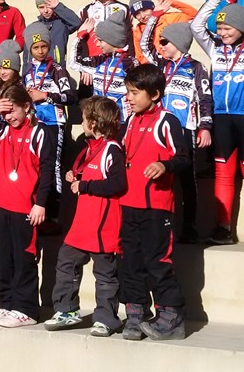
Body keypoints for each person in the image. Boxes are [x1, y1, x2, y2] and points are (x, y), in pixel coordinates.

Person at [192, 0, 244, 248]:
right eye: (221, 28)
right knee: (223, 174)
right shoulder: (216, 49)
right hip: (222, 117)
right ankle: (223, 227)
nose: (222, 33)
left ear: (239, 27)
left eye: (227, 28)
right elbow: (196, 26)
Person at [119, 64, 191, 341]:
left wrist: (165, 165)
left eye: (136, 93)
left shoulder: (167, 121)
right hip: (129, 204)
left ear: (155, 94)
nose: (130, 98)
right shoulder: (130, 122)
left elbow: (184, 159)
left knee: (157, 262)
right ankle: (136, 315)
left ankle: (172, 316)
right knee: (130, 262)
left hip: (156, 207)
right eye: (128, 92)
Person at [0, 85, 56, 328]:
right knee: (1, 259)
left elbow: (47, 171)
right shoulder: (1, 130)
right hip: (1, 205)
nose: (9, 117)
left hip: (25, 207)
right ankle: (6, 303)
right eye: (5, 113)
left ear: (27, 107)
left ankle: (26, 308)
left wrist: (40, 203)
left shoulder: (40, 133)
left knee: (23, 259)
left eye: (13, 111)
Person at [45, 97, 125, 337]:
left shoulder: (113, 148)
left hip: (103, 222)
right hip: (83, 222)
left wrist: (85, 186)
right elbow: (86, 173)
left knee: (104, 273)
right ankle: (67, 310)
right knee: (66, 261)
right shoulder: (89, 146)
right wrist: (74, 176)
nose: (81, 123)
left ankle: (106, 318)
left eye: (83, 119)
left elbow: (117, 184)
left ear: (95, 122)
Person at [139, 22, 213, 243]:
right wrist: (155, 18)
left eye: (165, 42)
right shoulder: (160, 65)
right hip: (159, 129)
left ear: (178, 43)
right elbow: (144, 46)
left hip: (184, 130)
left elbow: (205, 98)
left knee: (186, 180)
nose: (160, 46)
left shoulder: (196, 67)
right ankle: (159, 224)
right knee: (160, 176)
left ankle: (189, 226)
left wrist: (205, 127)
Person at [22, 22, 76, 224]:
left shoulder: (57, 69)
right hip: (34, 124)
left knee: (53, 165)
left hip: (54, 122)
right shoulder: (27, 72)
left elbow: (70, 96)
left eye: (44, 46)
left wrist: (45, 95)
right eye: (36, 48)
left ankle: (56, 212)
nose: (40, 51)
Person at [70, 9, 137, 122]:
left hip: (121, 120)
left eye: (100, 40)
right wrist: (80, 36)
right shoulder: (99, 60)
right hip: (100, 120)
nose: (97, 44)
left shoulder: (129, 63)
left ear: (112, 41)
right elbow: (74, 62)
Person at [71, 0, 130, 86]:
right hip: (92, 65)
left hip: (117, 64)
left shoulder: (123, 9)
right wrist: (84, 68)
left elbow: (129, 38)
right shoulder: (86, 10)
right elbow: (82, 40)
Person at [127, 0, 197, 65]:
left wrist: (171, 2)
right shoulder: (138, 31)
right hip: (153, 69)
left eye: (144, 10)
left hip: (172, 64)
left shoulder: (167, 18)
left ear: (153, 8)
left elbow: (194, 15)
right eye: (137, 14)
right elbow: (140, 55)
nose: (142, 16)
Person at [32, 0, 83, 66]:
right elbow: (28, 55)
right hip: (40, 72)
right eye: (41, 7)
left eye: (49, 6)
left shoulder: (62, 23)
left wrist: (58, 6)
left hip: (59, 70)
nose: (45, 10)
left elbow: (76, 22)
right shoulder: (35, 27)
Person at [0, 40, 23, 111]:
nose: (2, 72)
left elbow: (31, 108)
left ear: (15, 69)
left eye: (6, 68)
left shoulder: (22, 86)